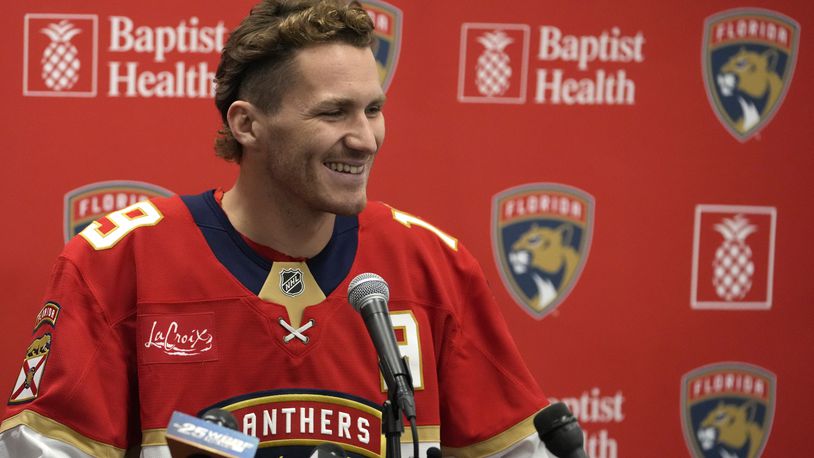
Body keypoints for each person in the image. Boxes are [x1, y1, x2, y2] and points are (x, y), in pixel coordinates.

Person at [0, 1, 551, 456]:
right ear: (246, 124)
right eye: (333, 113)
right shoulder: (117, 261)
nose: (365, 139)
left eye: (373, 109)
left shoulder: (432, 264)